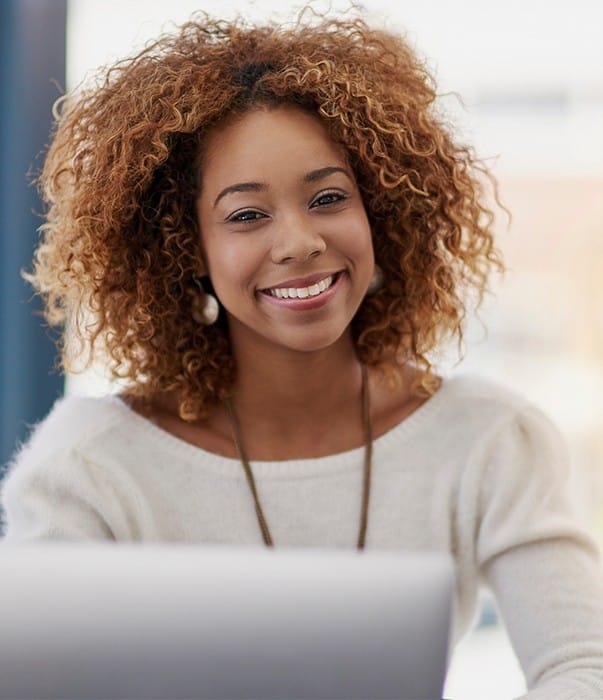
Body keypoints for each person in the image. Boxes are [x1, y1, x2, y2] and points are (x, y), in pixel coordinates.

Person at [1, 9, 602, 698]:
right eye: (247, 215)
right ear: (185, 248)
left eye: (327, 198)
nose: (298, 242)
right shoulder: (90, 465)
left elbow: (580, 667)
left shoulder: (490, 440)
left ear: (377, 210)